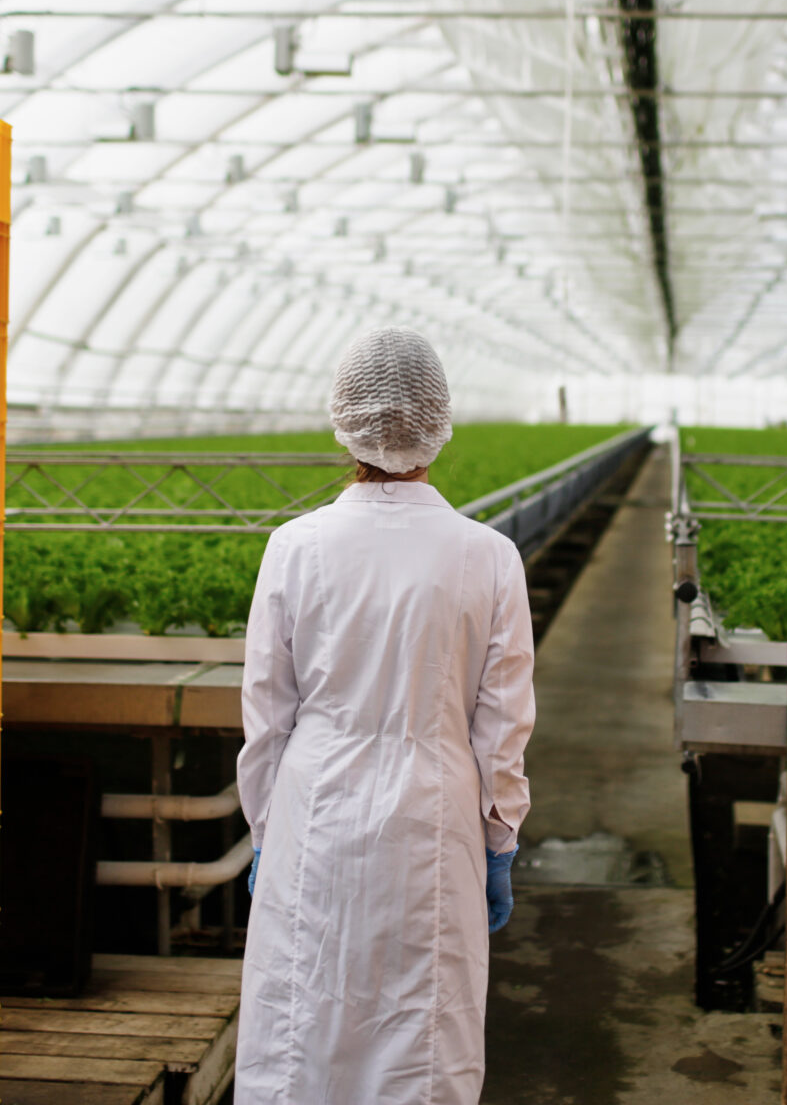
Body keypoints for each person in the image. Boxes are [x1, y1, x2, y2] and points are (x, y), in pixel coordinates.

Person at [234, 326, 537, 1105]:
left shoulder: (294, 547)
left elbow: (268, 714)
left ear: (344, 424)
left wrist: (266, 829)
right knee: (421, 1038)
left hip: (314, 808)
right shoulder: (488, 555)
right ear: (440, 423)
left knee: (303, 1026)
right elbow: (503, 723)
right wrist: (499, 836)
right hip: (433, 816)